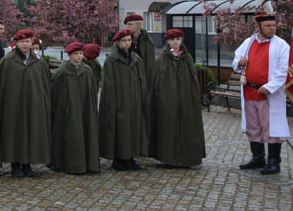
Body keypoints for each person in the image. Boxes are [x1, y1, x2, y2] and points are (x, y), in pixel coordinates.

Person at [232, 11, 290, 175]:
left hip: (267, 94)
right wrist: (239, 63)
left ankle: (274, 161)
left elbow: (283, 70)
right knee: (253, 127)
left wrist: (270, 87)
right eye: (268, 26)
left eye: (274, 25)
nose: (272, 29)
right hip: (249, 91)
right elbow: (236, 59)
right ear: (258, 27)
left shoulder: (281, 45)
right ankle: (258, 158)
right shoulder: (248, 43)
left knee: (270, 128)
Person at [0, 29, 51, 178]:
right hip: (14, 106)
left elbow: (44, 85)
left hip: (33, 105)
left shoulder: (38, 62)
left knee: (31, 133)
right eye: (22, 42)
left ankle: (27, 164)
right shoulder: (8, 62)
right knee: (15, 133)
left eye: (28, 42)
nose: (25, 45)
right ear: (17, 43)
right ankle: (15, 165)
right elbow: (1, 86)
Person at [149, 29, 206, 169]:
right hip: (168, 100)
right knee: (168, 127)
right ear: (167, 41)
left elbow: (192, 81)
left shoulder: (187, 58)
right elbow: (157, 82)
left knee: (188, 128)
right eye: (173, 39)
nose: (176, 42)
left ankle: (187, 157)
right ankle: (169, 158)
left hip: (186, 99)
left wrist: (192, 98)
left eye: (178, 39)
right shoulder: (162, 59)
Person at [98, 29, 148, 171]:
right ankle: (119, 158)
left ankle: (131, 157)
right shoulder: (112, 60)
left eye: (129, 40)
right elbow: (108, 83)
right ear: (118, 42)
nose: (127, 43)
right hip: (119, 100)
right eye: (124, 40)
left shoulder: (136, 59)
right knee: (120, 130)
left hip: (134, 101)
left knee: (133, 129)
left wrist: (142, 98)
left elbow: (142, 80)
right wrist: (112, 102)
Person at [49, 42, 100, 175]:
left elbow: (92, 92)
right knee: (69, 135)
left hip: (84, 109)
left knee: (85, 132)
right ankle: (66, 163)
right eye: (76, 54)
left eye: (80, 54)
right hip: (67, 109)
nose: (79, 56)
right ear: (70, 55)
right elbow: (54, 92)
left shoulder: (87, 71)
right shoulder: (63, 72)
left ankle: (88, 162)